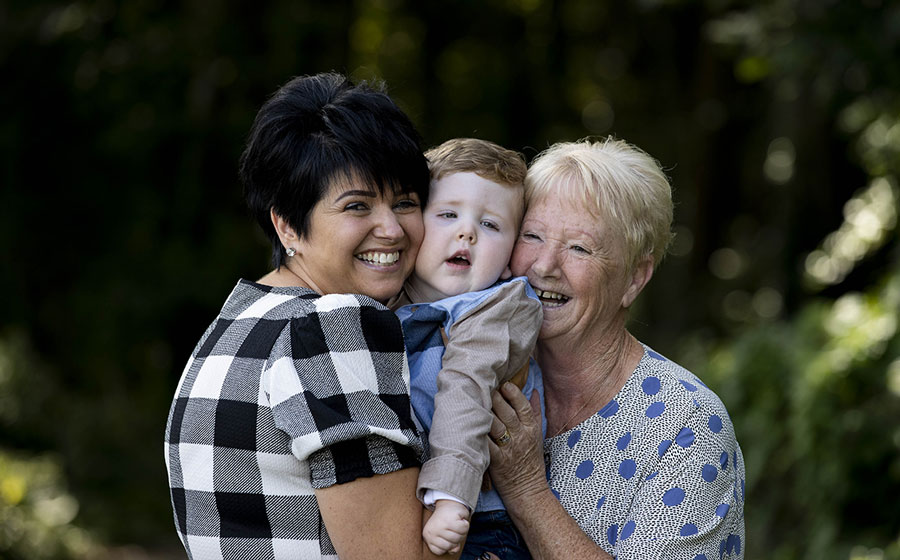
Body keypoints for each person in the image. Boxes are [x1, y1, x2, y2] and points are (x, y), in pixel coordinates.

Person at [163, 72, 457, 560]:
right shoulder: (335, 327)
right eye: (357, 206)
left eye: (405, 202)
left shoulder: (234, 323)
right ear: (287, 225)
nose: (391, 229)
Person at [484, 138, 746, 559]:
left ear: (634, 279)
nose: (544, 265)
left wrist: (526, 487)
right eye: (532, 236)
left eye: (579, 248)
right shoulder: (480, 374)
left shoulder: (686, 426)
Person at [392, 138, 543, 558]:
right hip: (410, 500)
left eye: (491, 225)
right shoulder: (391, 300)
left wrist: (451, 498)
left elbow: (467, 388)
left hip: (477, 520)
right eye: (448, 214)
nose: (467, 231)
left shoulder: (495, 308)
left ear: (512, 256)